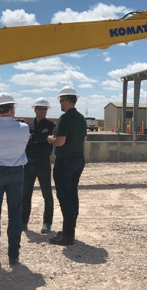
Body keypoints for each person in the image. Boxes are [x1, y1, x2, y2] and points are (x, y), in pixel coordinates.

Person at [0, 93, 30, 267]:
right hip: (16, 172)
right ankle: (13, 256)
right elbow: (24, 145)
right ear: (12, 108)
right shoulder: (23, 128)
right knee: (15, 215)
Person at [47, 86, 87, 246]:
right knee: (72, 194)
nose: (60, 104)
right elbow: (83, 140)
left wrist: (51, 139)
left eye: (61, 101)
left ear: (66, 100)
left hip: (65, 161)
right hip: (78, 159)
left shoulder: (65, 118)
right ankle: (70, 229)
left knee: (64, 197)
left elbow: (60, 141)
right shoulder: (81, 118)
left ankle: (68, 235)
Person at [22, 98, 56, 234]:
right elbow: (25, 141)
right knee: (25, 194)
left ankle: (47, 223)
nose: (43, 111)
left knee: (47, 194)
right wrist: (40, 138)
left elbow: (48, 139)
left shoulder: (51, 125)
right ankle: (23, 221)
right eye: (40, 109)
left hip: (43, 163)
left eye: (45, 109)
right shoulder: (28, 126)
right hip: (29, 163)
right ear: (35, 109)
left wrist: (34, 138)